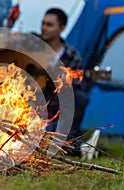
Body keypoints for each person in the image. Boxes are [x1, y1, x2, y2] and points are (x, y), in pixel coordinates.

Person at [34, 8, 89, 156]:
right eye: (43, 23)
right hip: (32, 104)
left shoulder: (72, 56)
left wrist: (62, 83)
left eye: (49, 25)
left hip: (56, 108)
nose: (44, 28)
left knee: (80, 97)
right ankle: (74, 147)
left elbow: (79, 84)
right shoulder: (32, 47)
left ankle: (69, 142)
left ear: (62, 28)